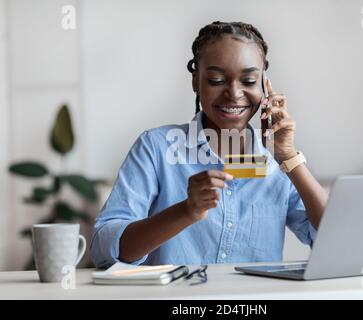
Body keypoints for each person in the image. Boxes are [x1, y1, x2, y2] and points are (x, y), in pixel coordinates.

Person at [90, 21, 328, 268]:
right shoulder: (156, 148)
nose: (234, 94)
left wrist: (288, 157)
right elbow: (106, 251)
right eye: (216, 80)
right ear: (196, 81)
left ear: (264, 86)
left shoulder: (276, 160)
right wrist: (187, 211)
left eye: (248, 81)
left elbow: (334, 239)